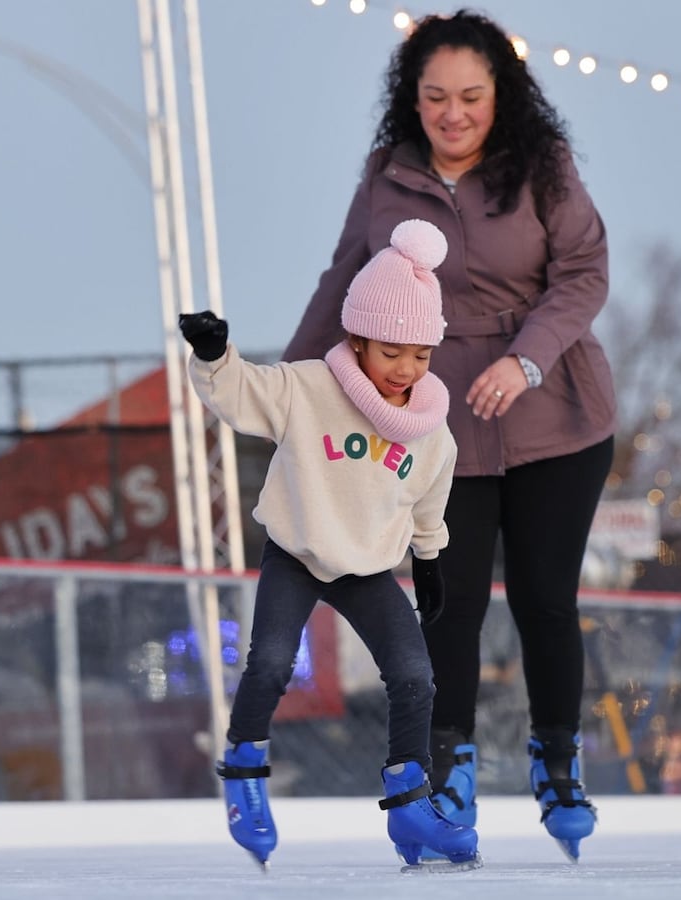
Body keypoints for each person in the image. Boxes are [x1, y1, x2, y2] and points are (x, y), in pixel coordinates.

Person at [282, 10, 615, 863]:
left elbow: (582, 275)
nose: (454, 113)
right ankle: (449, 771)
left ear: (501, 95)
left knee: (545, 599)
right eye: (436, 97)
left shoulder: (542, 168)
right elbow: (343, 284)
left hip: (554, 414)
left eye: (471, 95)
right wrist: (292, 391)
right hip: (436, 423)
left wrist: (528, 360)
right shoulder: (387, 177)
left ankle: (556, 764)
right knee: (447, 604)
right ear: (414, 98)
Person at [182, 219, 480, 872]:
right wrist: (214, 356)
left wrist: (428, 560)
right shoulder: (309, 388)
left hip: (368, 567)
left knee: (414, 675)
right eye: (390, 351)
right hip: (296, 552)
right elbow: (240, 395)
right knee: (269, 665)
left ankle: (410, 800)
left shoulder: (431, 430)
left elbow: (429, 498)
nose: (405, 369)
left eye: (421, 355)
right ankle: (244, 772)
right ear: (358, 338)